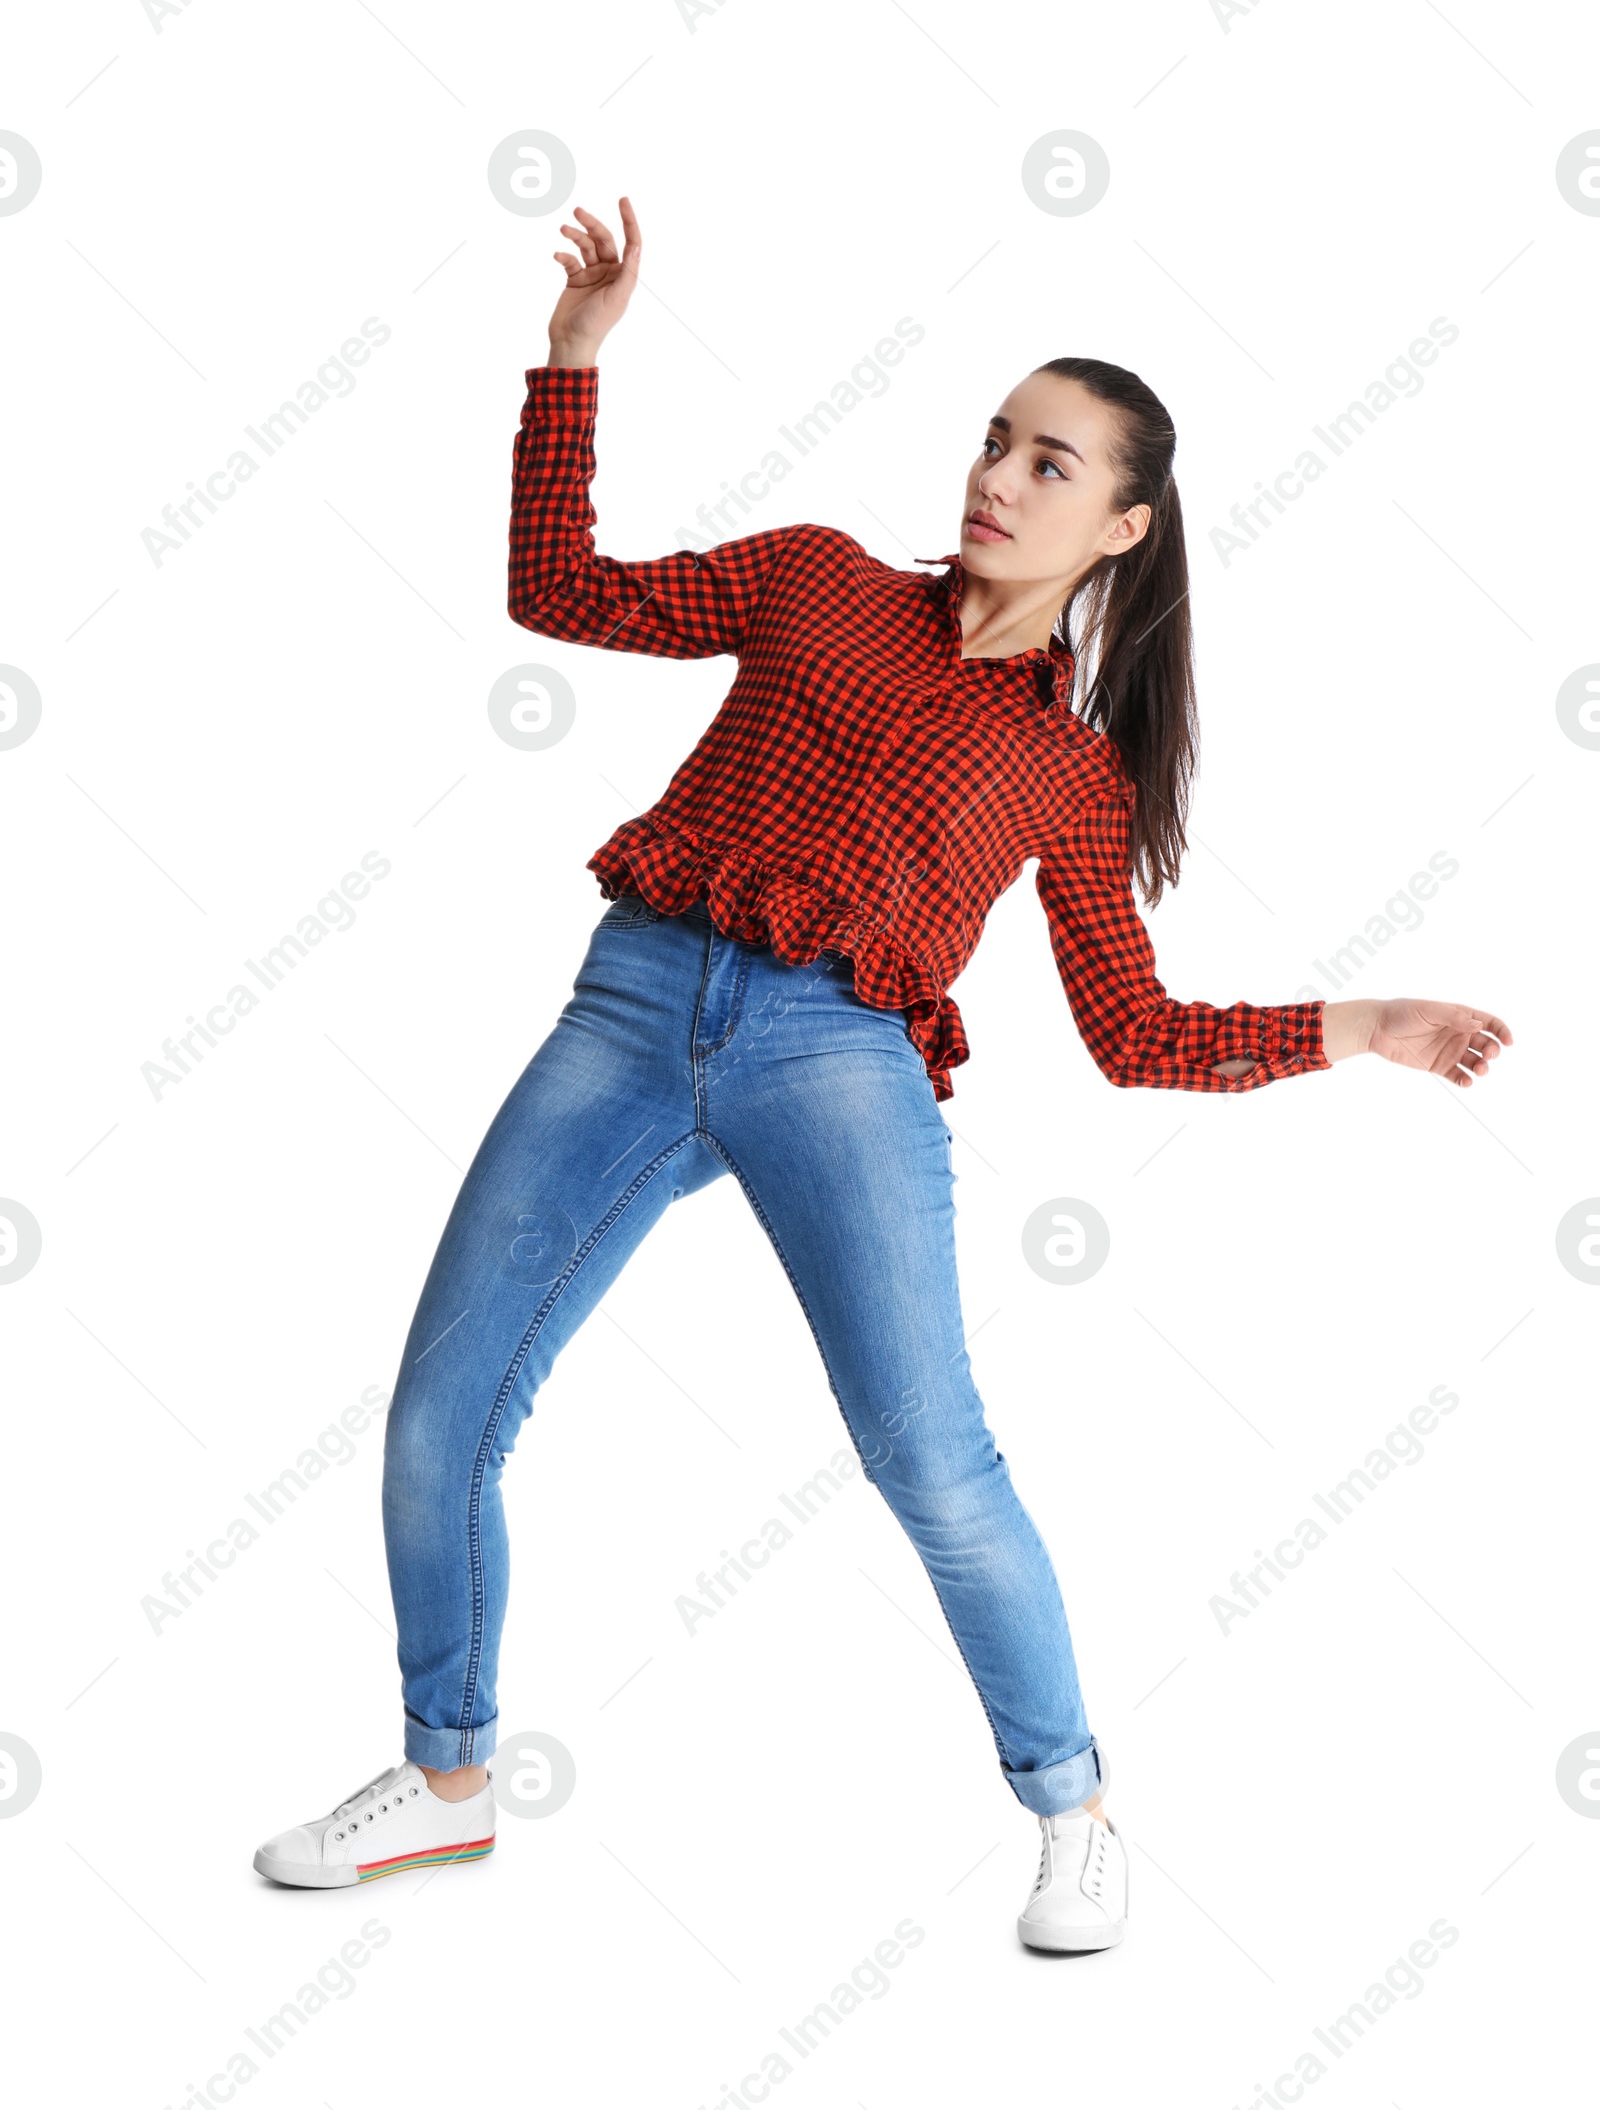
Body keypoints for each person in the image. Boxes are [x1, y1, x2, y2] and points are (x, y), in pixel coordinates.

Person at [253, 198, 1511, 1949]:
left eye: (1050, 462)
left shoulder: (1070, 771)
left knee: (930, 1457)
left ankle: (1071, 1805)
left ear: (1123, 527)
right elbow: (561, 591)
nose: (999, 476)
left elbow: (1136, 1034)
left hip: (837, 1061)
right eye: (995, 438)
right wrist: (572, 367)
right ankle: (448, 1778)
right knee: (435, 1416)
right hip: (630, 1004)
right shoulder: (817, 576)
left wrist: (1357, 1029)